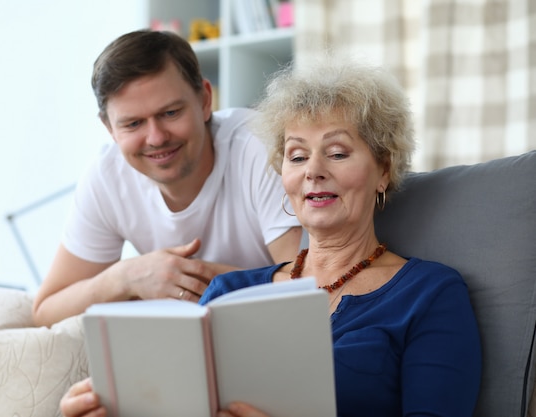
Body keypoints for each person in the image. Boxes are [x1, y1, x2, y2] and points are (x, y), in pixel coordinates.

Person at [60, 51, 482, 417]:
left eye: (337, 153)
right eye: (297, 156)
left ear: (383, 170)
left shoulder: (429, 293)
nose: (313, 171)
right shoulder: (229, 292)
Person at [31, 29, 301, 328]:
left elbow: (311, 289)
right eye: (133, 123)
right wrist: (125, 277)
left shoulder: (259, 146)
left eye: (171, 113)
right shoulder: (107, 177)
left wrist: (204, 281)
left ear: (204, 101)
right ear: (109, 128)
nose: (156, 138)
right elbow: (46, 309)